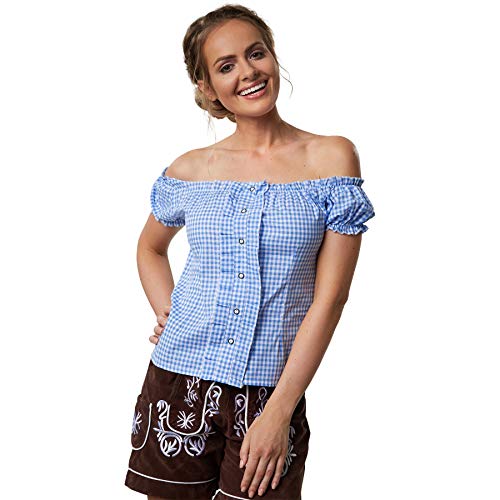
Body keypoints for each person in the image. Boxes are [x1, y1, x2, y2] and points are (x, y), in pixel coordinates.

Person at [124, 4, 376, 500]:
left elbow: (331, 299)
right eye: (226, 66)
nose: (248, 72)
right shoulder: (190, 169)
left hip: (270, 393)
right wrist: (169, 313)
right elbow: (150, 249)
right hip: (176, 384)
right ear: (206, 88)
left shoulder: (331, 158)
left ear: (273, 56)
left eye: (255, 54)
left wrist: (280, 410)